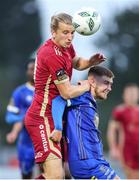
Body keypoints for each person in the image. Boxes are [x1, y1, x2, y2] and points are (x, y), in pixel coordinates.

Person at [24, 12, 106, 179]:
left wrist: (90, 61)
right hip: (42, 117)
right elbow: (67, 92)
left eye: (72, 33)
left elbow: (76, 62)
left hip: (55, 116)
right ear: (53, 32)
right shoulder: (51, 54)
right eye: (65, 32)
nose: (70, 37)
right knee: (56, 175)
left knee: (62, 174)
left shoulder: (66, 46)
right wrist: (88, 85)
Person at [51, 66, 120, 179]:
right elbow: (58, 101)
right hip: (86, 162)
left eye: (111, 84)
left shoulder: (90, 102)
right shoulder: (81, 95)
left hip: (96, 160)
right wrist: (58, 128)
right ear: (92, 82)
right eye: (106, 83)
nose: (109, 88)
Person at [5, 60, 36, 179]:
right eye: (31, 69)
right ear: (27, 71)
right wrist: (23, 118)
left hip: (44, 138)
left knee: (49, 172)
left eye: (35, 69)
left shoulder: (47, 91)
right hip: (25, 141)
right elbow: (10, 116)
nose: (33, 72)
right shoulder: (19, 92)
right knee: (26, 173)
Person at [107, 83, 139, 179]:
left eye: (134, 93)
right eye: (129, 94)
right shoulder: (120, 111)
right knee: (132, 176)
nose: (132, 96)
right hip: (127, 150)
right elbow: (112, 130)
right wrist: (113, 148)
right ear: (124, 95)